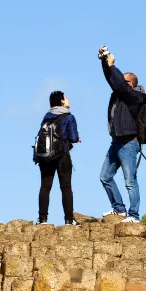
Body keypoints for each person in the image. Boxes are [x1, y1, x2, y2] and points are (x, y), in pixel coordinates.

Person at [98, 45, 145, 223]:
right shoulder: (120, 92)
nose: (120, 83)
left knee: (130, 181)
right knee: (105, 177)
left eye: (124, 81)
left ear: (131, 84)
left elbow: (117, 81)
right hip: (116, 142)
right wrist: (105, 62)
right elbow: (112, 80)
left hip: (129, 143)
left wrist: (112, 64)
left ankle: (134, 215)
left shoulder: (135, 96)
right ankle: (119, 209)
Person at [36, 91, 81, 225]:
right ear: (62, 101)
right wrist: (77, 139)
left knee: (45, 187)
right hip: (62, 156)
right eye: (66, 98)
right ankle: (69, 220)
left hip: (45, 156)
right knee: (66, 187)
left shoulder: (46, 117)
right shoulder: (68, 117)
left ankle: (42, 219)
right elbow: (72, 137)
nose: (68, 100)